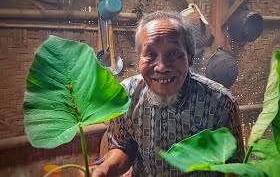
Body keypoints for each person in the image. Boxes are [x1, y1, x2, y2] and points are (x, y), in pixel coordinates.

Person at [87, 10, 244, 177]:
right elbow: (123, 147)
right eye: (150, 54)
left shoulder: (220, 103)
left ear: (190, 57)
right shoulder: (128, 95)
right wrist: (105, 168)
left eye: (173, 54)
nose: (161, 67)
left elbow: (234, 168)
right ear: (139, 57)